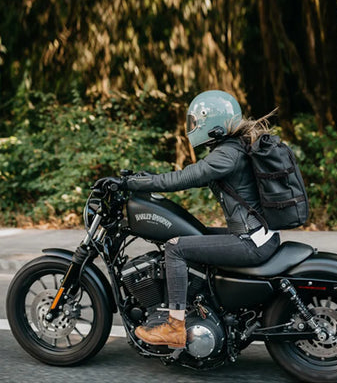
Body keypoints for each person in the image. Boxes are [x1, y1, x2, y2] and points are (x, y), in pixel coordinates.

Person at [98, 90, 281, 348]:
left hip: (250, 242)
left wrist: (132, 182)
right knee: (197, 237)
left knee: (175, 247)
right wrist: (147, 178)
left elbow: (187, 177)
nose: (192, 127)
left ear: (210, 120)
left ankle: (174, 327)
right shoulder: (233, 148)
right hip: (256, 235)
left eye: (195, 122)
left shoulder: (227, 154)